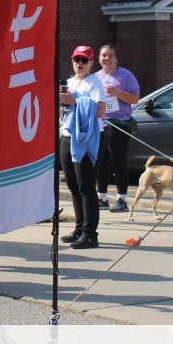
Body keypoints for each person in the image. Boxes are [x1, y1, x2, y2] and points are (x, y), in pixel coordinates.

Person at [59, 46, 106, 249]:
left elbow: (101, 111)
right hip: (68, 135)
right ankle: (79, 228)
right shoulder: (69, 82)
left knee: (86, 187)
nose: (79, 64)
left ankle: (90, 234)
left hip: (87, 138)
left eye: (84, 60)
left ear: (91, 62)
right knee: (73, 186)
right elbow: (62, 111)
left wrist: (75, 101)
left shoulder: (94, 82)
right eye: (76, 59)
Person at [93, 45, 141, 213]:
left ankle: (122, 199)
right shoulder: (95, 77)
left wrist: (116, 92)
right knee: (101, 162)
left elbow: (134, 98)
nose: (107, 58)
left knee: (118, 160)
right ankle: (102, 198)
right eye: (104, 55)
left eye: (110, 55)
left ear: (116, 59)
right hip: (101, 123)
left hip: (119, 123)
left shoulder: (126, 75)